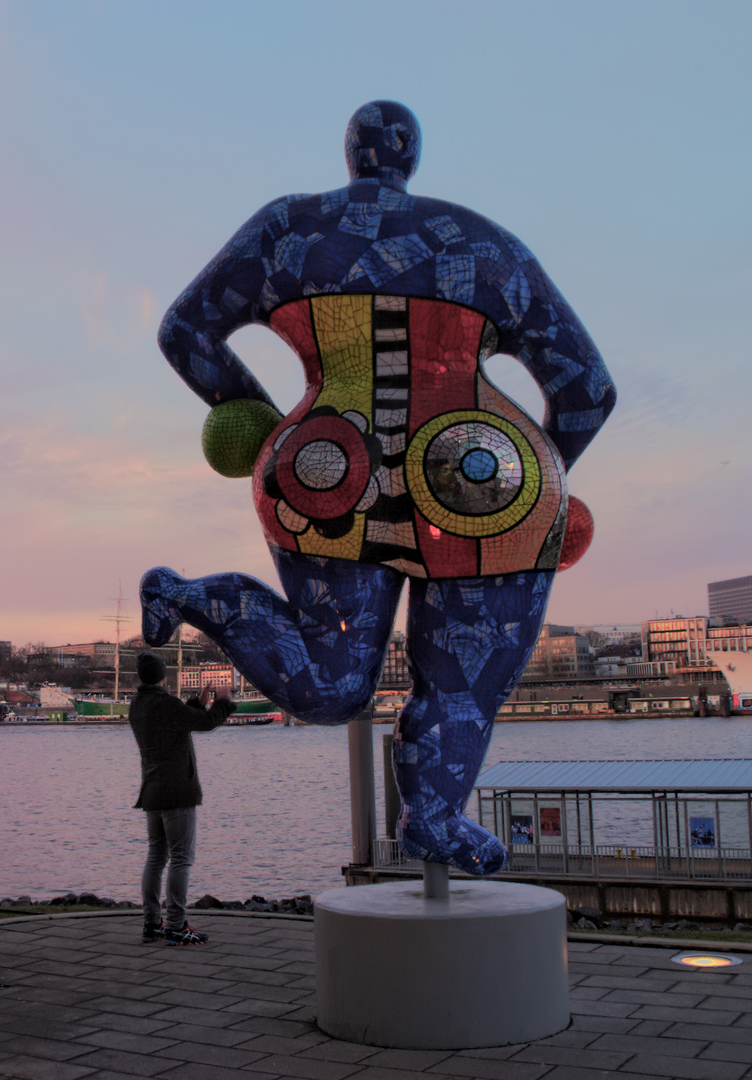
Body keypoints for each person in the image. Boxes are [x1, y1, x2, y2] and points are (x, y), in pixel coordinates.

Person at [142, 100, 615, 876]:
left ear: (354, 153)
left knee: (330, 684)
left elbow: (184, 331)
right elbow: (588, 388)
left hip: (326, 470)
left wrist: (256, 416)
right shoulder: (480, 241)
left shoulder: (287, 228)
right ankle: (432, 813)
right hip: (482, 481)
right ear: (409, 156)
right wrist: (536, 479)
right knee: (464, 682)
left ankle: (193, 596)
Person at [128, 652, 235, 946]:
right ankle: (176, 925)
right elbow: (206, 723)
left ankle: (152, 923)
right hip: (177, 793)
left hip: (152, 792)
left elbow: (180, 720)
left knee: (155, 857)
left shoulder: (138, 705)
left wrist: (200, 701)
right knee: (181, 859)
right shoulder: (166, 704)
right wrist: (223, 700)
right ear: (163, 676)